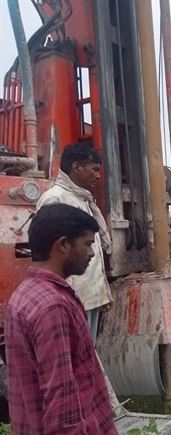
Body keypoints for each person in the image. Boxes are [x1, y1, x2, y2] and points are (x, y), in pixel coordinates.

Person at [5, 204, 117, 434]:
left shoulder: (25, 294)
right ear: (63, 244)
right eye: (87, 244)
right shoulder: (53, 306)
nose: (93, 253)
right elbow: (61, 403)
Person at [36, 143, 113, 342]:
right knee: (74, 358)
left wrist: (100, 293)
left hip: (88, 296)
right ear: (77, 167)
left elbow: (90, 251)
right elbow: (50, 256)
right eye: (94, 169)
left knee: (86, 354)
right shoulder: (55, 199)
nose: (98, 176)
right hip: (71, 299)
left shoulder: (83, 199)